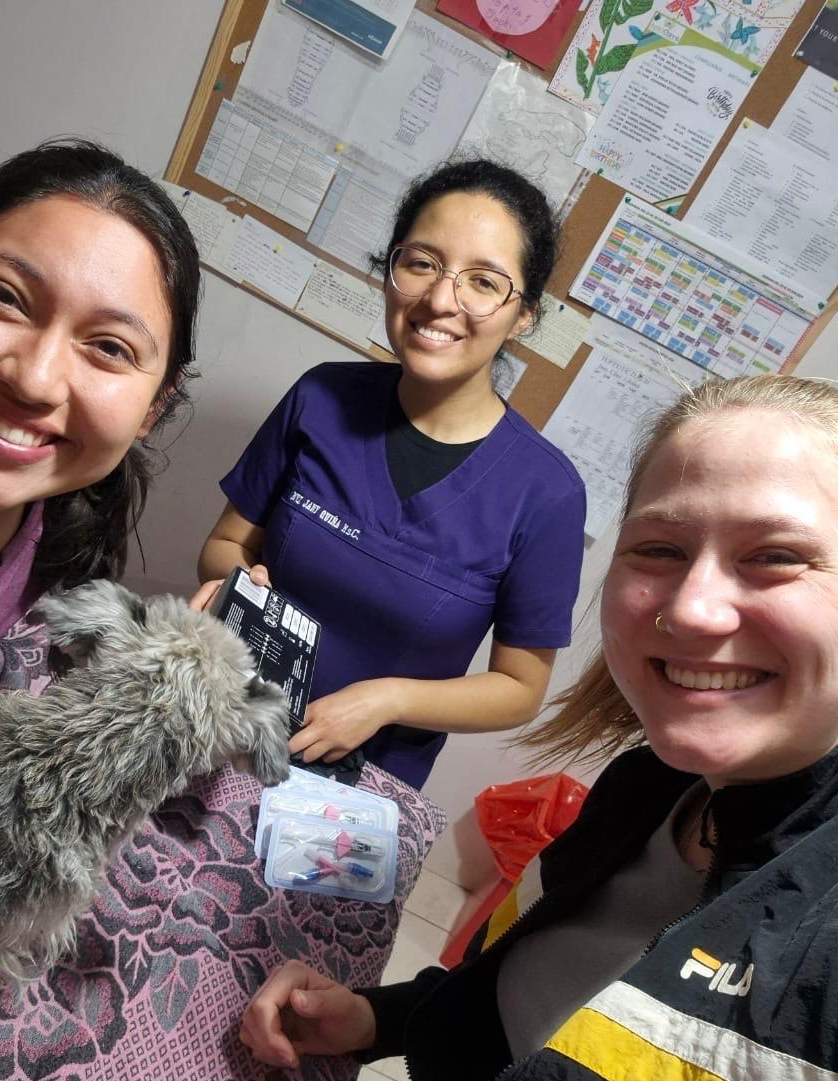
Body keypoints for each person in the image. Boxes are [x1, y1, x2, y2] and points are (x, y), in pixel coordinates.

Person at [241, 374, 838, 1081]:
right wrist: (379, 1017)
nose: (690, 609)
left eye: (776, 557)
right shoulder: (648, 788)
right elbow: (537, 997)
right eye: (660, 549)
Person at [194, 160, 586, 790]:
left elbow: (517, 689)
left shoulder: (547, 493)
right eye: (422, 263)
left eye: (483, 282)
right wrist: (238, 586)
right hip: (223, 712)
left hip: (362, 779)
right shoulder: (319, 398)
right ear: (391, 270)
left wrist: (388, 701)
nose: (439, 299)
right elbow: (224, 545)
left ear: (524, 316)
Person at [0, 138, 200, 685]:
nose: (33, 380)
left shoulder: (60, 628)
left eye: (109, 347)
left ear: (153, 409)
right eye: (4, 296)